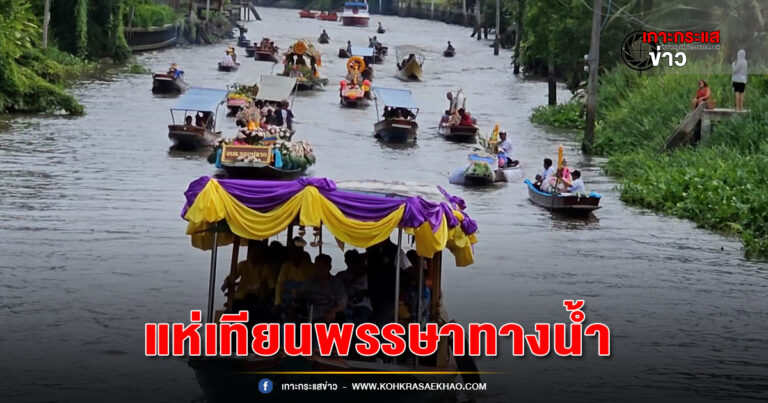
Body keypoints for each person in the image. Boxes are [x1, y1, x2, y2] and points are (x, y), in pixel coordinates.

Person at [300, 254, 347, 323]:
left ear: (329, 267)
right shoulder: (309, 281)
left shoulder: (336, 283)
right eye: (317, 266)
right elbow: (301, 295)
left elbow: (343, 303)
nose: (319, 269)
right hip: (310, 315)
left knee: (340, 317)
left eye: (322, 267)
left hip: (328, 316)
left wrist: (333, 311)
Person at [274, 237, 315, 309]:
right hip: (288, 302)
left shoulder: (310, 267)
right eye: (292, 251)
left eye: (297, 251)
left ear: (301, 251)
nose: (294, 254)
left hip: (305, 302)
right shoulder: (286, 266)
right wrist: (278, 303)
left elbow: (314, 288)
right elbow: (280, 284)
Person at [337, 250, 372, 324]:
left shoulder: (369, 276)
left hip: (362, 306)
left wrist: (362, 293)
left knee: (360, 317)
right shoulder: (341, 275)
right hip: (343, 306)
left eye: (354, 263)